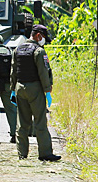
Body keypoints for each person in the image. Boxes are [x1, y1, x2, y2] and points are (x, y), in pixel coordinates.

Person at [10, 24, 60, 161]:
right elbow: (43, 72)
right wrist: (47, 89)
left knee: (22, 123)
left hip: (20, 88)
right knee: (40, 122)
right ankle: (45, 153)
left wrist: (13, 90)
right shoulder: (38, 51)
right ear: (38, 36)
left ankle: (22, 154)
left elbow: (13, 72)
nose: (44, 41)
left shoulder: (17, 49)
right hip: (35, 89)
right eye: (43, 38)